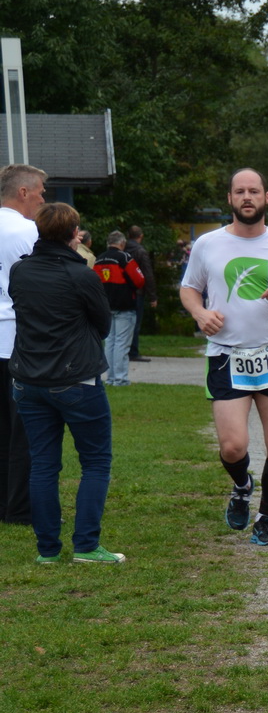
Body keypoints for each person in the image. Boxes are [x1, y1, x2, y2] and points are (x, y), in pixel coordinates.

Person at [178, 169, 268, 547]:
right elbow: (189, 289)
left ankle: (264, 521)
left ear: (265, 197)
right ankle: (242, 486)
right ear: (230, 199)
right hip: (227, 354)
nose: (247, 197)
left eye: (254, 191)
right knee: (232, 446)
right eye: (240, 191)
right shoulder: (209, 244)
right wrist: (200, 314)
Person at [8, 202, 122, 563]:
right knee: (95, 461)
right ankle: (86, 546)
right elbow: (102, 323)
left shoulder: (20, 270)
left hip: (28, 378)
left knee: (43, 463)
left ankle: (48, 550)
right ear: (75, 234)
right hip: (76, 379)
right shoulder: (81, 275)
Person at [0, 164, 46, 525]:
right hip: (18, 339)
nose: (44, 199)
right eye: (42, 192)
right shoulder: (28, 232)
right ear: (24, 193)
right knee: (24, 430)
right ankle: (19, 507)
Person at [92, 231, 146, 386]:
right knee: (122, 343)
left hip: (106, 306)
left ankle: (109, 378)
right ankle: (120, 379)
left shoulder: (99, 259)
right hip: (124, 305)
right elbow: (139, 280)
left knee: (110, 343)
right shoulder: (125, 258)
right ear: (122, 243)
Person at [124, 225, 155, 360]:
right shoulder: (141, 251)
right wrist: (153, 296)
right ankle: (133, 352)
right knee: (135, 323)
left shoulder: (122, 249)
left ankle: (123, 350)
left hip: (122, 290)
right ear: (140, 236)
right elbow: (147, 274)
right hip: (138, 291)